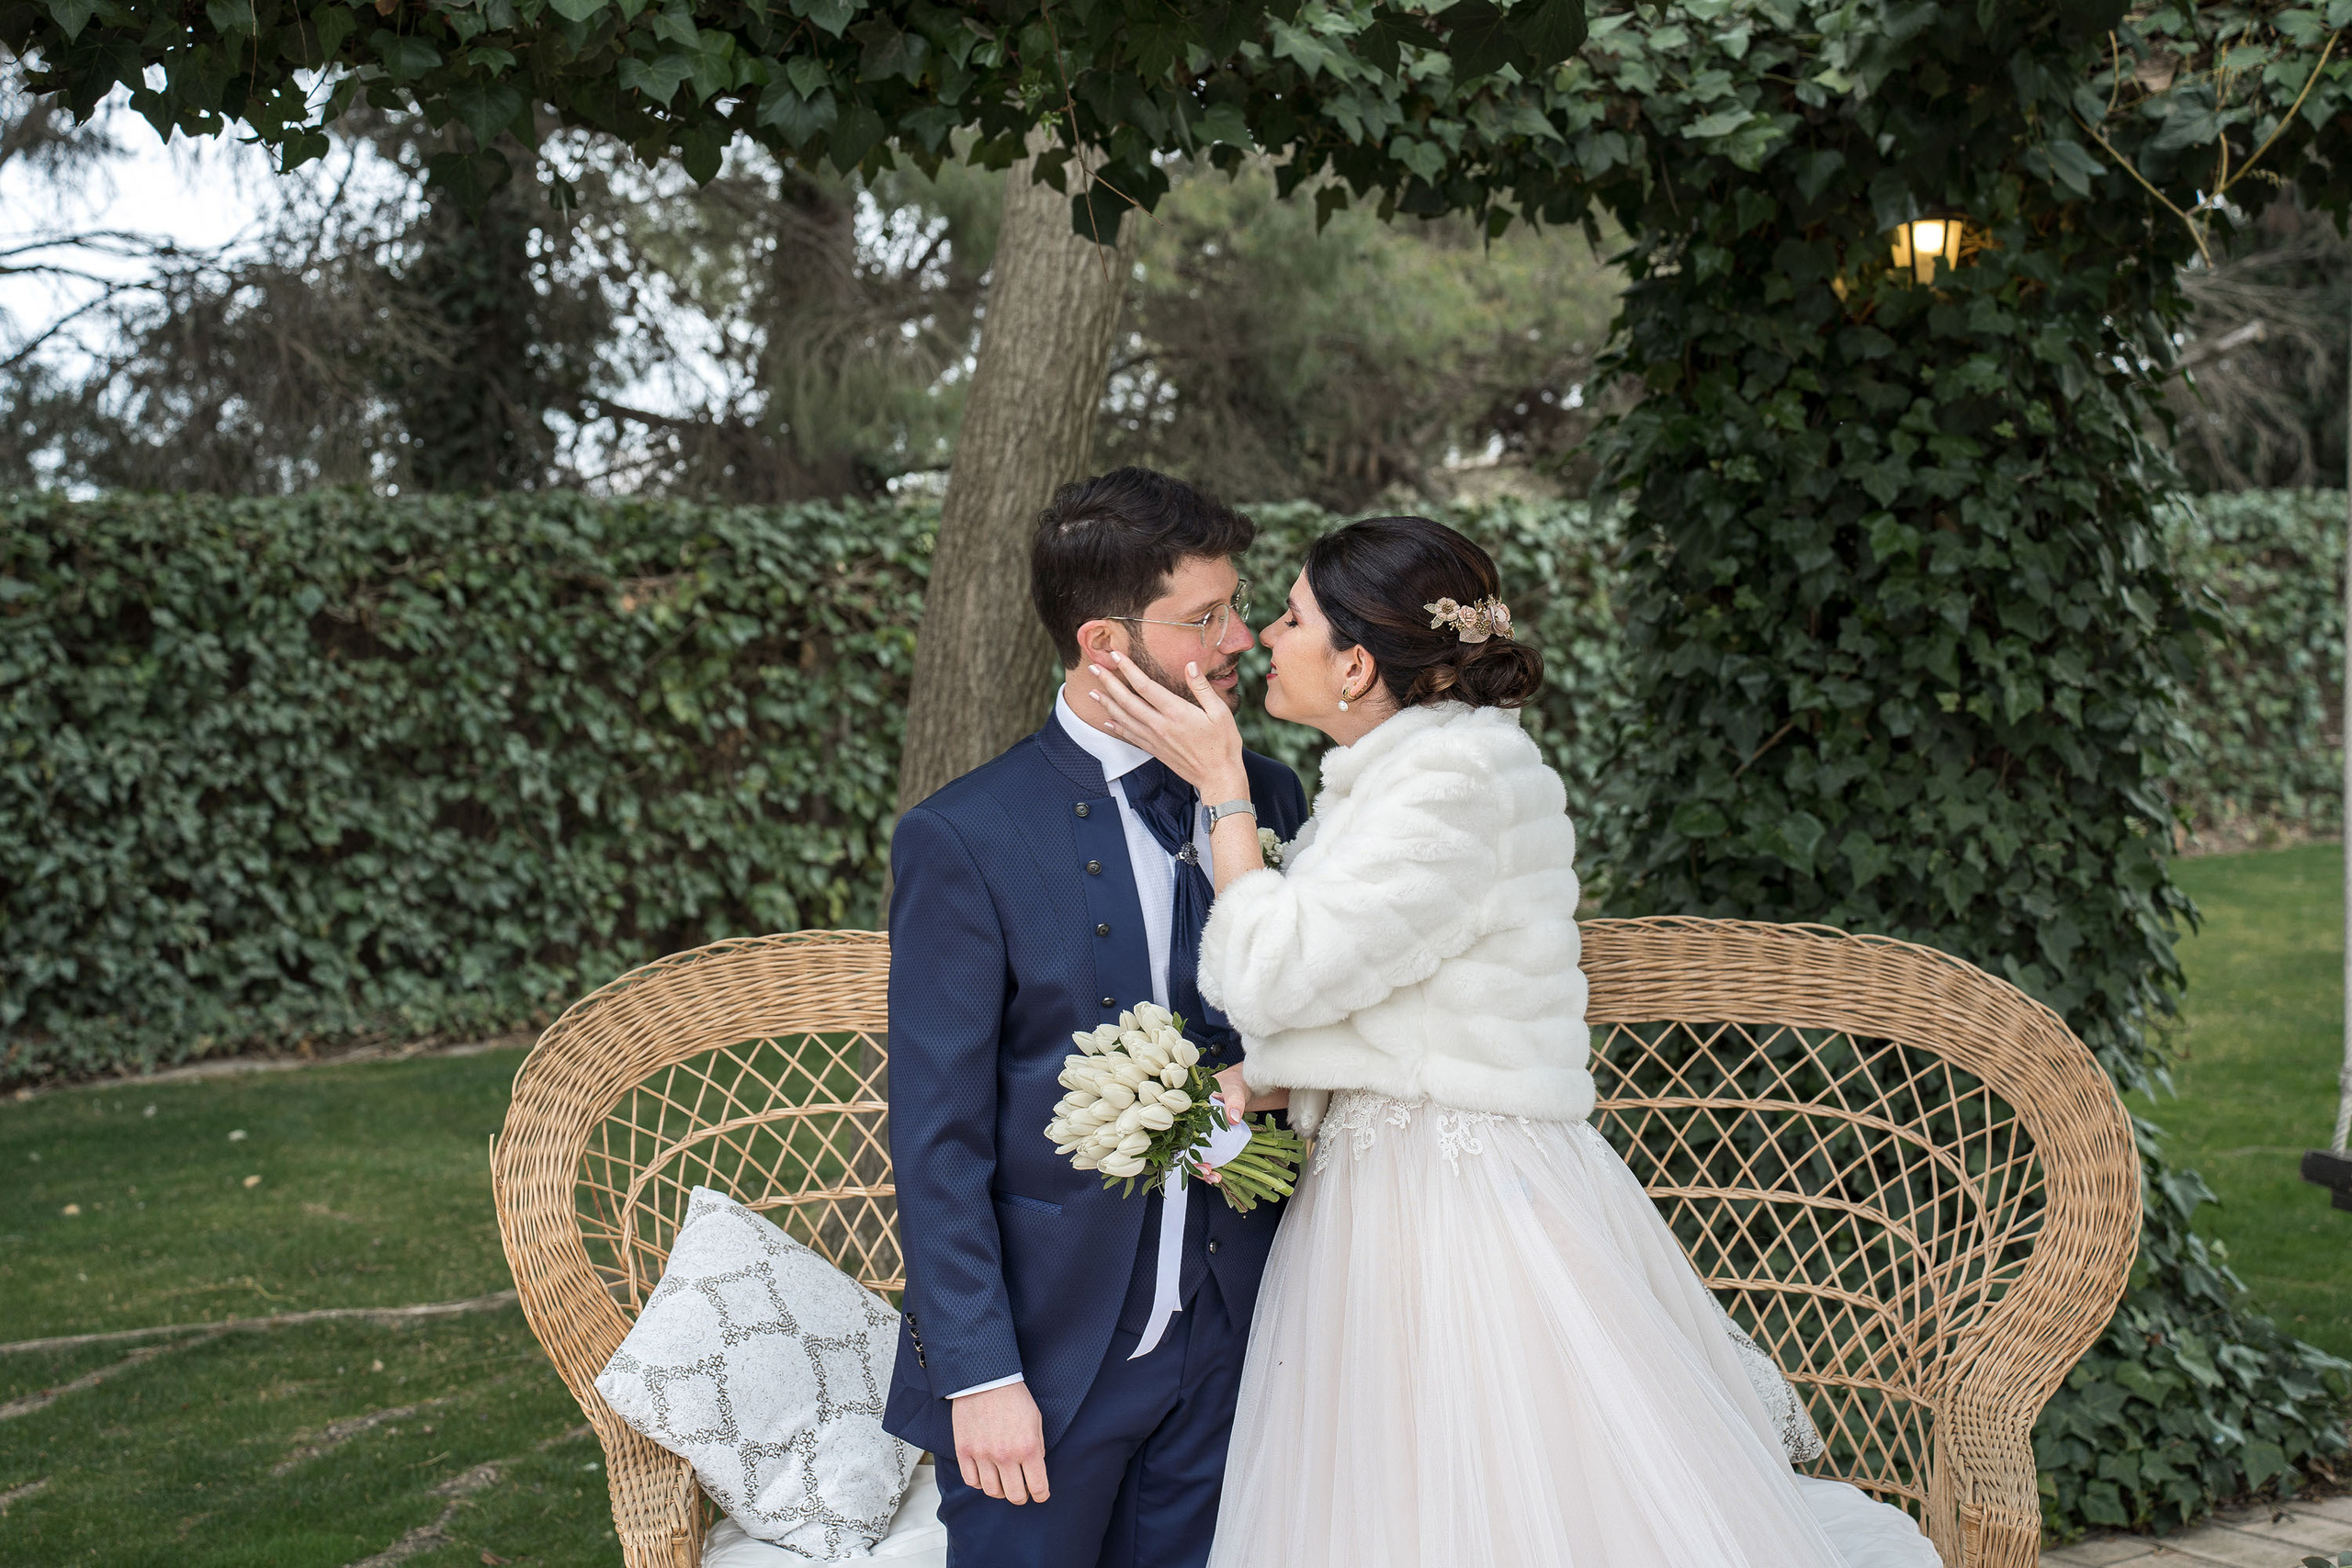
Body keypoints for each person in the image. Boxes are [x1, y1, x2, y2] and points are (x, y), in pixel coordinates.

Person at [1087, 515, 1945, 1568]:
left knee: (1497, 1500)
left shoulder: (1453, 782)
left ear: (1355, 663)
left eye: (1292, 614)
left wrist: (1222, 787)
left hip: (1456, 1208)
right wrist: (1263, 1080)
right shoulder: (1400, 774)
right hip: (1381, 1192)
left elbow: (1269, 974)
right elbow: (1386, 991)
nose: (1265, 634)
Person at [881, 467, 1311, 1568]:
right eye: (1204, 618)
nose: (1241, 638)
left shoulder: (1270, 795)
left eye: (1238, 603)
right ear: (1104, 645)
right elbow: (938, 1136)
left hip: (1240, 1335)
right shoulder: (962, 836)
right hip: (1051, 1357)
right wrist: (978, 1375)